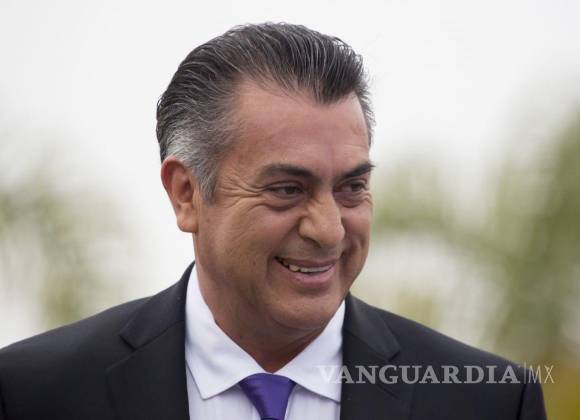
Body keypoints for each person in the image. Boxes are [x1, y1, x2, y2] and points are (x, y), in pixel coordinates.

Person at [0, 23, 546, 420]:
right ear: (186, 194)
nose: (329, 230)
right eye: (288, 190)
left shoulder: (490, 401)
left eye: (352, 187)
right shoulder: (32, 394)